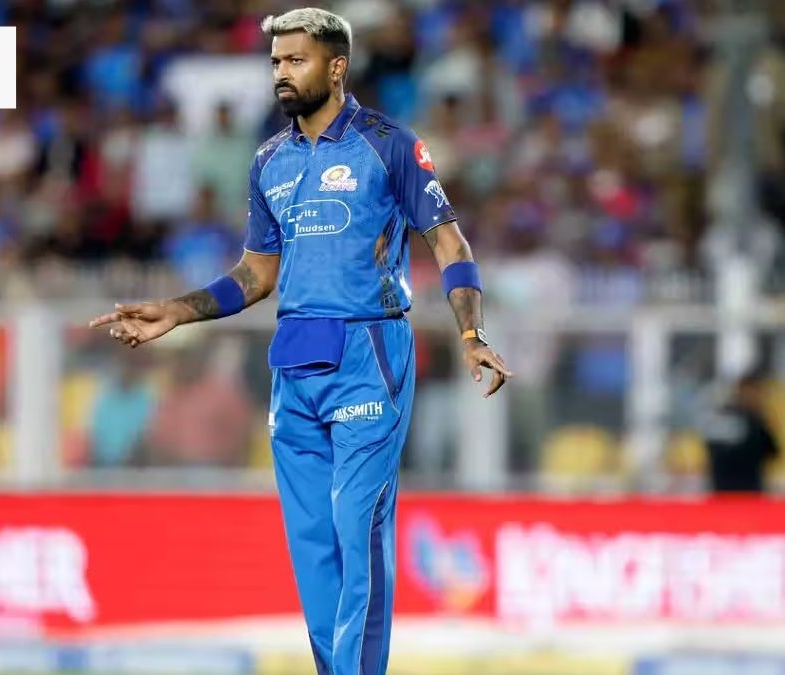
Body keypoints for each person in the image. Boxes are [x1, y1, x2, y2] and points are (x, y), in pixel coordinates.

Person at [89, 8, 512, 674]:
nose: (281, 74)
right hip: (294, 362)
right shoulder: (269, 161)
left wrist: (471, 330)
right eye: (276, 62)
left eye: (295, 60)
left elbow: (451, 243)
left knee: (357, 531)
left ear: (336, 67)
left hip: (369, 353)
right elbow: (256, 275)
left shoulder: (389, 145)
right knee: (314, 547)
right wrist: (177, 310)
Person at [701, 371, 780, 493]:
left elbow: (774, 451)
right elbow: (714, 452)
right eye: (752, 391)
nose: (756, 397)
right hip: (726, 490)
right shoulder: (725, 418)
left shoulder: (758, 421)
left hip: (751, 491)